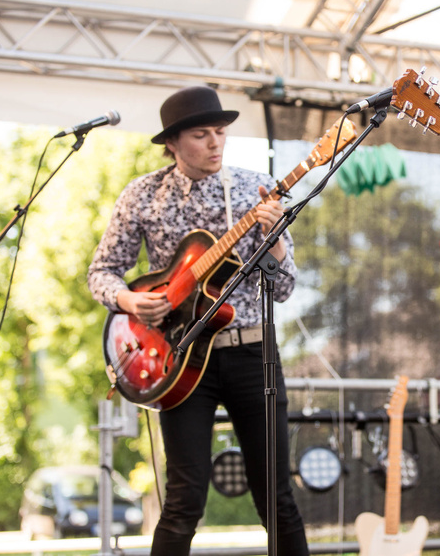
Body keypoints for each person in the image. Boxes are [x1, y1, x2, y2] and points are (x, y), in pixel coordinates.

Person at [88, 85, 310, 556]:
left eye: (221, 132)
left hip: (252, 353)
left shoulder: (257, 189)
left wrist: (275, 240)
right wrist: (128, 301)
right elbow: (101, 271)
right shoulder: (142, 195)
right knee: (184, 497)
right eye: (201, 135)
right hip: (179, 357)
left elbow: (285, 289)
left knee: (276, 497)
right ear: (172, 142)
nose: (215, 143)